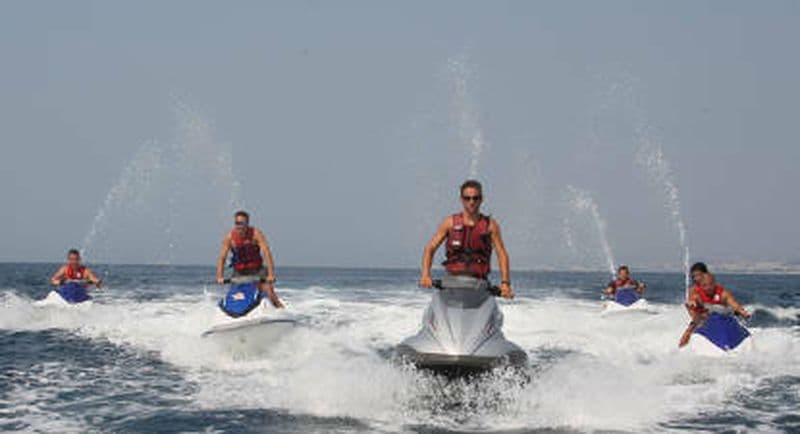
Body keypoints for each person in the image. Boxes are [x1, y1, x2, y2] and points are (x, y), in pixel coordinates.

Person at [419, 180, 514, 299]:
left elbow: (502, 254)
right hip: (452, 283)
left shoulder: (490, 225)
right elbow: (430, 248)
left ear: (481, 199)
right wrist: (425, 275)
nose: (472, 202)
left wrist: (505, 283)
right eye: (467, 198)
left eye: (476, 198)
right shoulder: (449, 223)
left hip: (479, 285)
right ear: (461, 199)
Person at [216, 210, 283, 308]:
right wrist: (220, 276)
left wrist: (271, 275)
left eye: (242, 223)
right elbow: (222, 258)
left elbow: (266, 253)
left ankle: (282, 312)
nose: (239, 226)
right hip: (239, 272)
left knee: (269, 292)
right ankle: (230, 315)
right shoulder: (230, 238)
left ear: (247, 224)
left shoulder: (256, 234)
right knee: (235, 296)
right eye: (237, 223)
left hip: (257, 270)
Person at [678, 271, 751, 347]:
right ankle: (682, 348)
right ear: (701, 285)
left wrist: (742, 312)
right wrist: (692, 304)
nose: (708, 288)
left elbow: (735, 305)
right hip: (705, 317)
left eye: (710, 284)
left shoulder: (723, 294)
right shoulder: (697, 294)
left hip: (724, 316)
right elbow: (692, 302)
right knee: (689, 331)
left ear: (714, 283)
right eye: (705, 285)